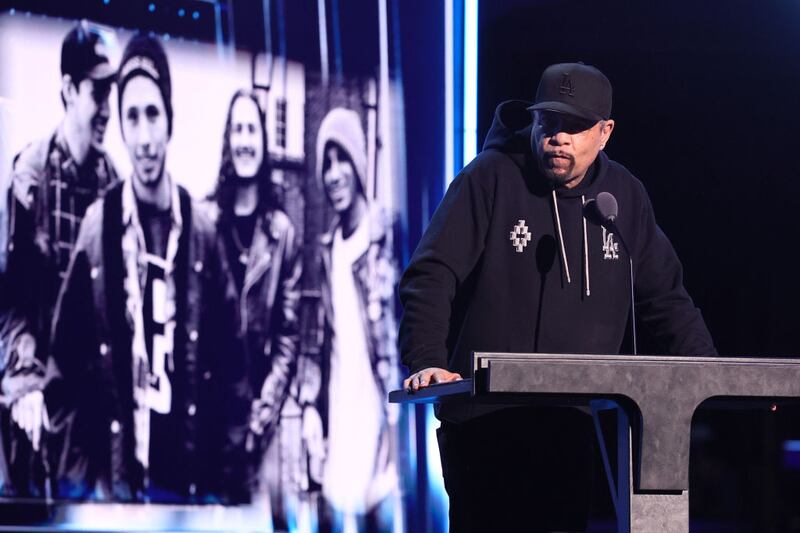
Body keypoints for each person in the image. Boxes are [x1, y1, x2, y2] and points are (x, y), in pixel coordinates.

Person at [399, 63, 717, 531]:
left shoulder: (623, 197)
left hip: (570, 422)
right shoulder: (489, 177)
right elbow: (431, 274)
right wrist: (425, 358)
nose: (558, 138)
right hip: (483, 421)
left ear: (605, 132)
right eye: (549, 122)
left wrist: (713, 376)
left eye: (575, 126)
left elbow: (665, 297)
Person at [44, 34, 249, 503]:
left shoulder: (201, 229)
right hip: (116, 495)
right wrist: (81, 490)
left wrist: (221, 488)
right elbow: (63, 372)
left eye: (152, 114)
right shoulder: (99, 227)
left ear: (170, 119)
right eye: (131, 117)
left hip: (187, 494)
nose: (143, 137)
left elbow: (233, 373)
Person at [0, 21, 118, 496]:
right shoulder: (30, 182)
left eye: (114, 91)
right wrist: (26, 384)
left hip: (91, 421)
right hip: (34, 416)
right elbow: (9, 307)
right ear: (69, 90)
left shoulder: (115, 188)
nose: (108, 108)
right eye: (99, 91)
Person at [307, 107, 401, 532]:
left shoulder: (390, 237)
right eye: (326, 163)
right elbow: (319, 345)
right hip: (341, 436)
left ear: (359, 164)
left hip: (386, 437)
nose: (333, 173)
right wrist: (311, 412)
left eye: (341, 158)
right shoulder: (326, 253)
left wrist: (398, 429)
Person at [212, 89, 301, 522]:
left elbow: (288, 338)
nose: (245, 139)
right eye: (238, 129)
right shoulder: (206, 221)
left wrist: (261, 415)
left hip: (259, 423)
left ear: (263, 141)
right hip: (211, 418)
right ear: (227, 141)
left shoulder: (281, 233)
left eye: (252, 129)